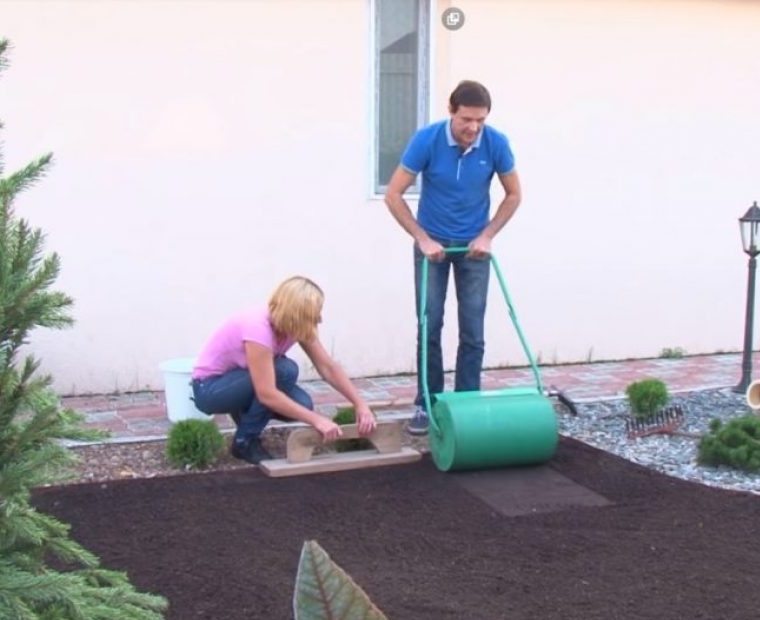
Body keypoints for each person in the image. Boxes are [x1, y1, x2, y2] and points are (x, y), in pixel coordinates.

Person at [383, 80, 522, 435]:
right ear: (451, 112)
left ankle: (467, 405)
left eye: (480, 120)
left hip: (474, 249)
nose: (473, 128)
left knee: (473, 332)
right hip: (433, 249)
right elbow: (394, 194)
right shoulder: (427, 140)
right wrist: (423, 239)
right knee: (430, 327)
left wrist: (487, 235)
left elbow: (513, 195)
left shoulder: (496, 143)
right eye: (466, 120)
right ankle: (426, 405)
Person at [190, 276, 377, 464]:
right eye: (314, 314)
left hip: (242, 383)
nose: (319, 319)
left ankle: (245, 415)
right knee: (285, 370)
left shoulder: (297, 326)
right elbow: (267, 394)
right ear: (296, 314)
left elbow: (327, 367)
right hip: (211, 390)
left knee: (303, 404)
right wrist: (317, 420)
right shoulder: (257, 328)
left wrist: (360, 404)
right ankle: (244, 441)